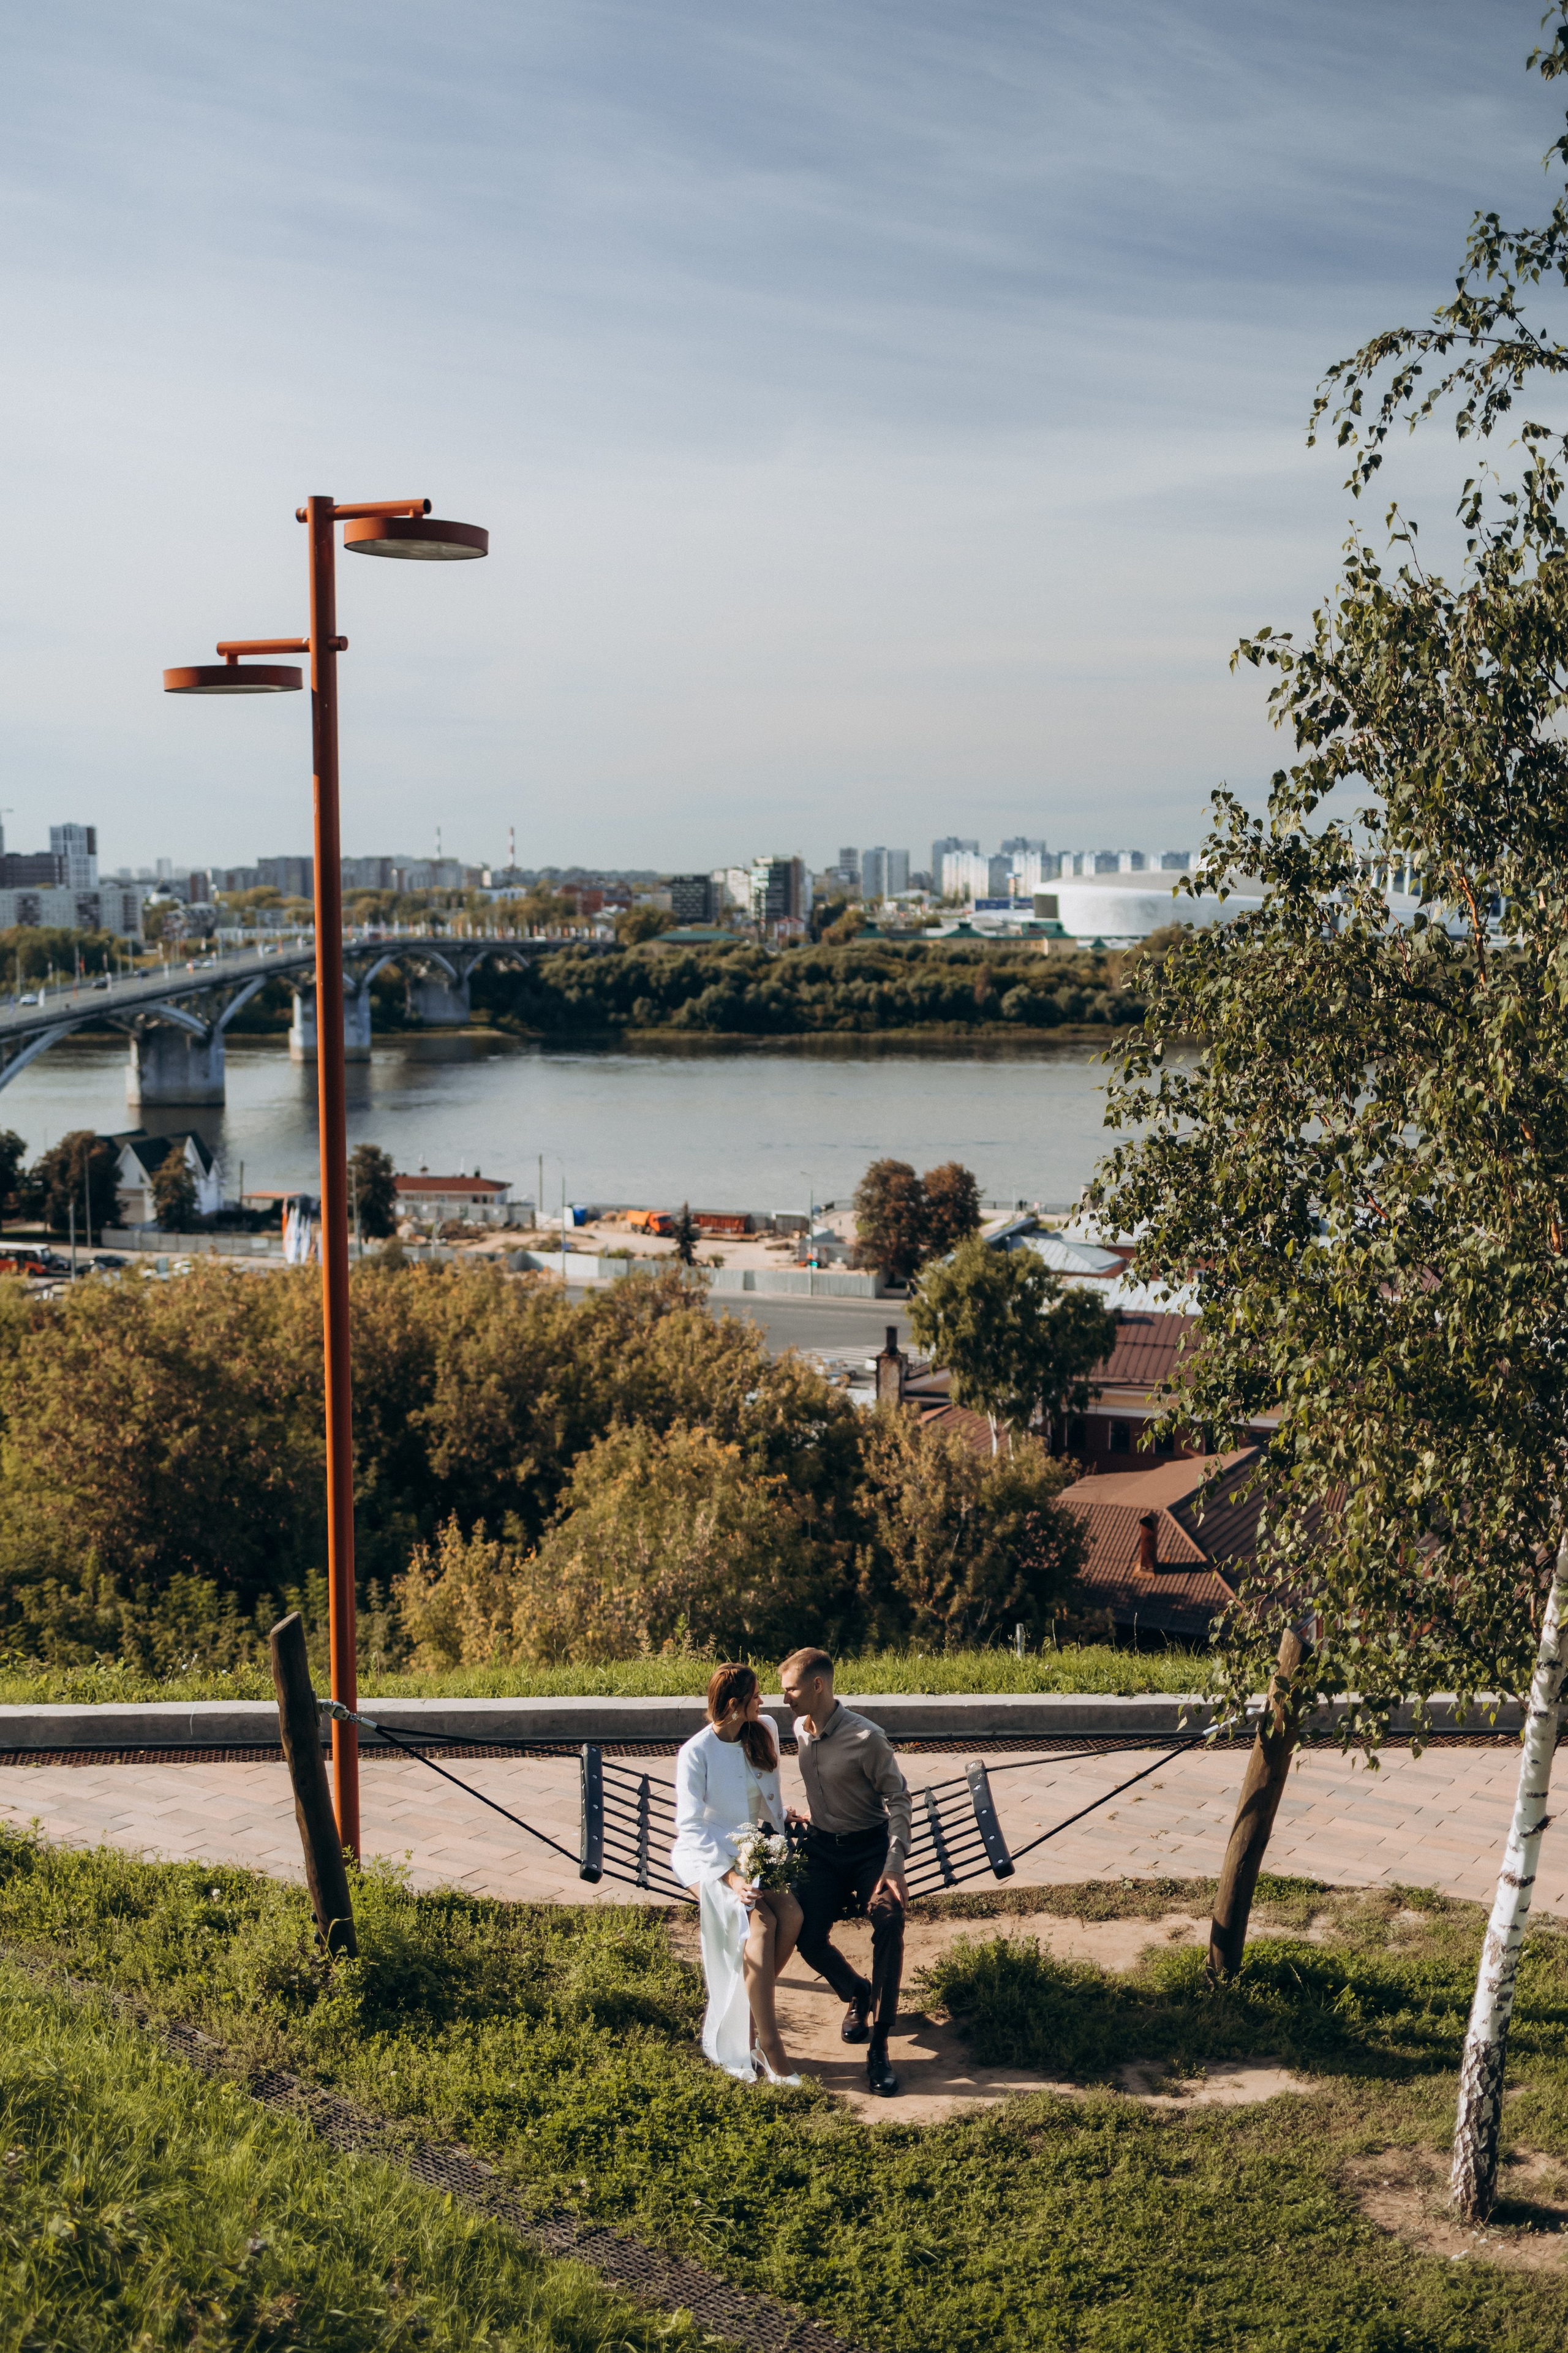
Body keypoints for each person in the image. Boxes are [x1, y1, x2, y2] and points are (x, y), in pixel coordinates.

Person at [779, 1645, 910, 2098]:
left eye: (791, 1689)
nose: (785, 1698)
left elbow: (899, 1799)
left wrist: (895, 1864)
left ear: (817, 1686)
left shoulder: (867, 1738)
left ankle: (880, 2045)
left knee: (889, 1919)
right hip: (821, 1847)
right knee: (802, 1929)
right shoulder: (800, 1727)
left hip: (869, 1848)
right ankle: (857, 1990)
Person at [669, 1662, 804, 2085]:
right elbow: (690, 1826)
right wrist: (730, 1877)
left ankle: (747, 2008)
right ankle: (770, 2045)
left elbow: (760, 1793)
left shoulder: (763, 1729)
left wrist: (783, 1815)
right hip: (707, 1854)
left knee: (792, 1916)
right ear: (733, 1705)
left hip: (753, 1847)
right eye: (755, 1695)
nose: (763, 1701)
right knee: (762, 1925)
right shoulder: (696, 1753)